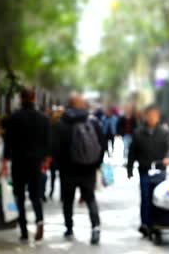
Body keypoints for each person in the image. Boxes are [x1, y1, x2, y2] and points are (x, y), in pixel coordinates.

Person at [55, 93, 106, 245]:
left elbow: (57, 147)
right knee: (90, 198)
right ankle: (95, 227)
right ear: (83, 105)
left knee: (68, 200)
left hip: (68, 169)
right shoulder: (92, 121)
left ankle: (69, 228)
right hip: (88, 168)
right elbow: (101, 144)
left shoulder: (62, 122)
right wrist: (96, 164)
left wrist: (59, 166)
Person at [2, 88, 51, 242]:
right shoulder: (43, 118)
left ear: (21, 98)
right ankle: (40, 221)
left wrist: (5, 160)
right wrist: (46, 159)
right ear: (34, 98)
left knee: (20, 196)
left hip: (18, 162)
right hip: (35, 162)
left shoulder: (13, 118)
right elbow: (48, 141)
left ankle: (23, 229)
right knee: (35, 195)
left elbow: (7, 142)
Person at [127, 104, 169, 237]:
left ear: (158, 117)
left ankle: (157, 223)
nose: (152, 118)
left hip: (159, 170)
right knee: (145, 198)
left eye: (154, 115)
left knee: (158, 197)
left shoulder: (164, 132)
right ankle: (145, 224)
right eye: (149, 115)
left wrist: (168, 157)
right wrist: (129, 169)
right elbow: (132, 152)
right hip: (145, 170)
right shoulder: (138, 132)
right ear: (146, 116)